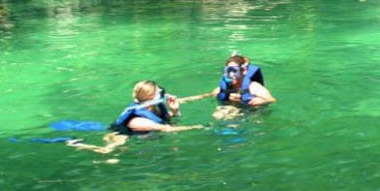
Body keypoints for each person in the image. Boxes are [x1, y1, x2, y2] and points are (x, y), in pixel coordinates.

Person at [67, 80, 204, 154]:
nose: (163, 94)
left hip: (142, 136)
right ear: (152, 97)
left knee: (115, 158)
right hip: (119, 135)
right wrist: (199, 127)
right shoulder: (139, 120)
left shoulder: (154, 108)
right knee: (107, 152)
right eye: (160, 92)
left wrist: (176, 110)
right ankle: (77, 144)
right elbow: (167, 129)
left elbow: (169, 121)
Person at [208, 53, 276, 120]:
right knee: (217, 115)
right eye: (228, 71)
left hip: (251, 112)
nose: (231, 75)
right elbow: (209, 94)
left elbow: (272, 100)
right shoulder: (224, 87)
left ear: (244, 71)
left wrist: (262, 101)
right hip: (231, 109)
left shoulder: (254, 87)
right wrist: (198, 97)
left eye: (234, 71)